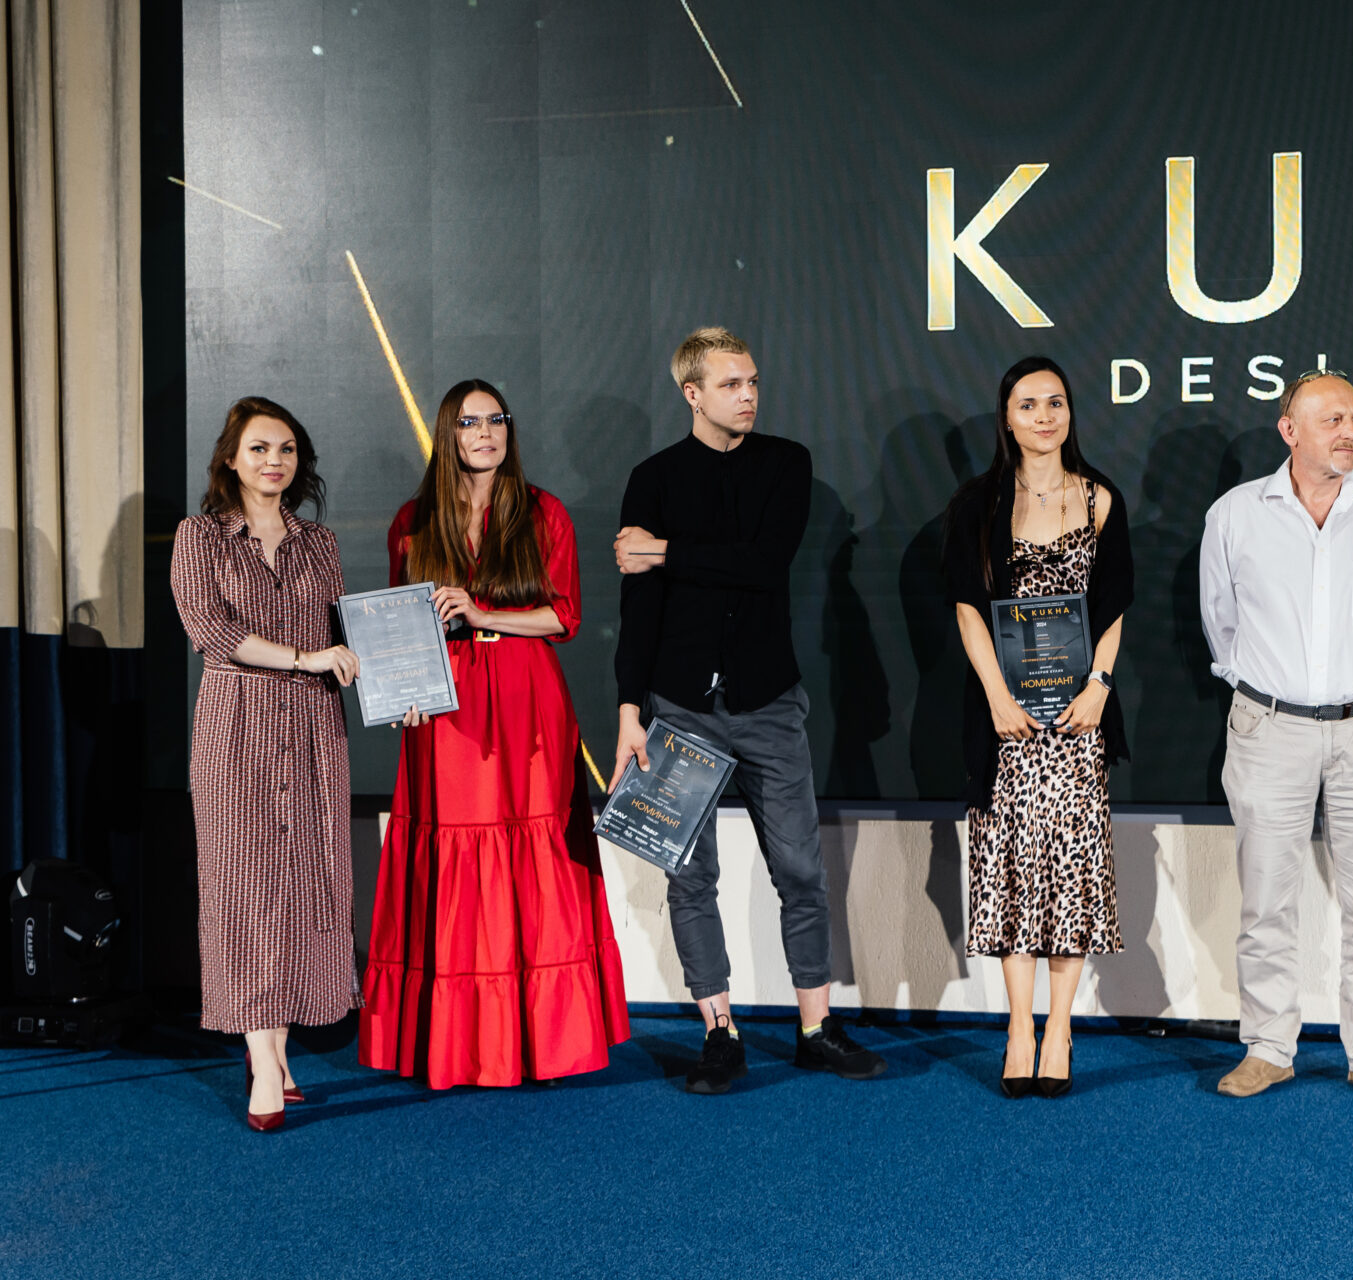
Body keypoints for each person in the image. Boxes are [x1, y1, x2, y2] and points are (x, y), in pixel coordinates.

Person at [613, 327, 885, 1093]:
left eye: (754, 381)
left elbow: (765, 566)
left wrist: (665, 551)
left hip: (767, 700)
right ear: (692, 393)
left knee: (799, 869)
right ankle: (719, 1032)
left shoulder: (785, 463)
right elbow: (639, 608)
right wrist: (629, 709)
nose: (748, 395)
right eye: (732, 384)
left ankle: (815, 1028)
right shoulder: (653, 478)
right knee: (688, 876)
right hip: (678, 707)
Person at [359, 379, 631, 1088]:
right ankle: (456, 1045)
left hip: (525, 698)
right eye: (470, 422)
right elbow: (397, 627)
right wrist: (403, 693)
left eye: (496, 419)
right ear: (448, 433)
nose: (486, 433)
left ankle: (546, 1043)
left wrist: (482, 613)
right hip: (444, 710)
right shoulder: (414, 519)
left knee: (536, 853)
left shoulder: (544, 511)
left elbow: (563, 617)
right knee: (454, 850)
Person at [1199, 370, 1353, 1105]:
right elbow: (1220, 623)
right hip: (1269, 726)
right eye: (1331, 419)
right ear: (1289, 431)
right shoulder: (1236, 515)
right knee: (1267, 900)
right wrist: (1267, 692)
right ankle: (1268, 1048)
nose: (1349, 432)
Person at [942, 355, 1133, 1099]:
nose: (1044, 416)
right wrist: (996, 696)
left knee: (1072, 875)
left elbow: (1114, 605)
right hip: (1006, 723)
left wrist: (1100, 687)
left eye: (1055, 402)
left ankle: (1060, 1029)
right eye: (1029, 404)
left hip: (1079, 720)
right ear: (1007, 417)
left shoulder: (1099, 499)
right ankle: (1019, 1028)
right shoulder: (979, 503)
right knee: (1011, 875)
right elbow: (967, 607)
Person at [171, 396, 361, 1131]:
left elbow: (346, 635)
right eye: (258, 448)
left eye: (286, 449)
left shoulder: (320, 543)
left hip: (313, 727)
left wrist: (403, 671)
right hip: (237, 725)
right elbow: (212, 632)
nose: (273, 461)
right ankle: (261, 1057)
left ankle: (276, 1054)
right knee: (243, 887)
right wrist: (306, 658)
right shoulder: (199, 536)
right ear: (231, 458)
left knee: (308, 882)